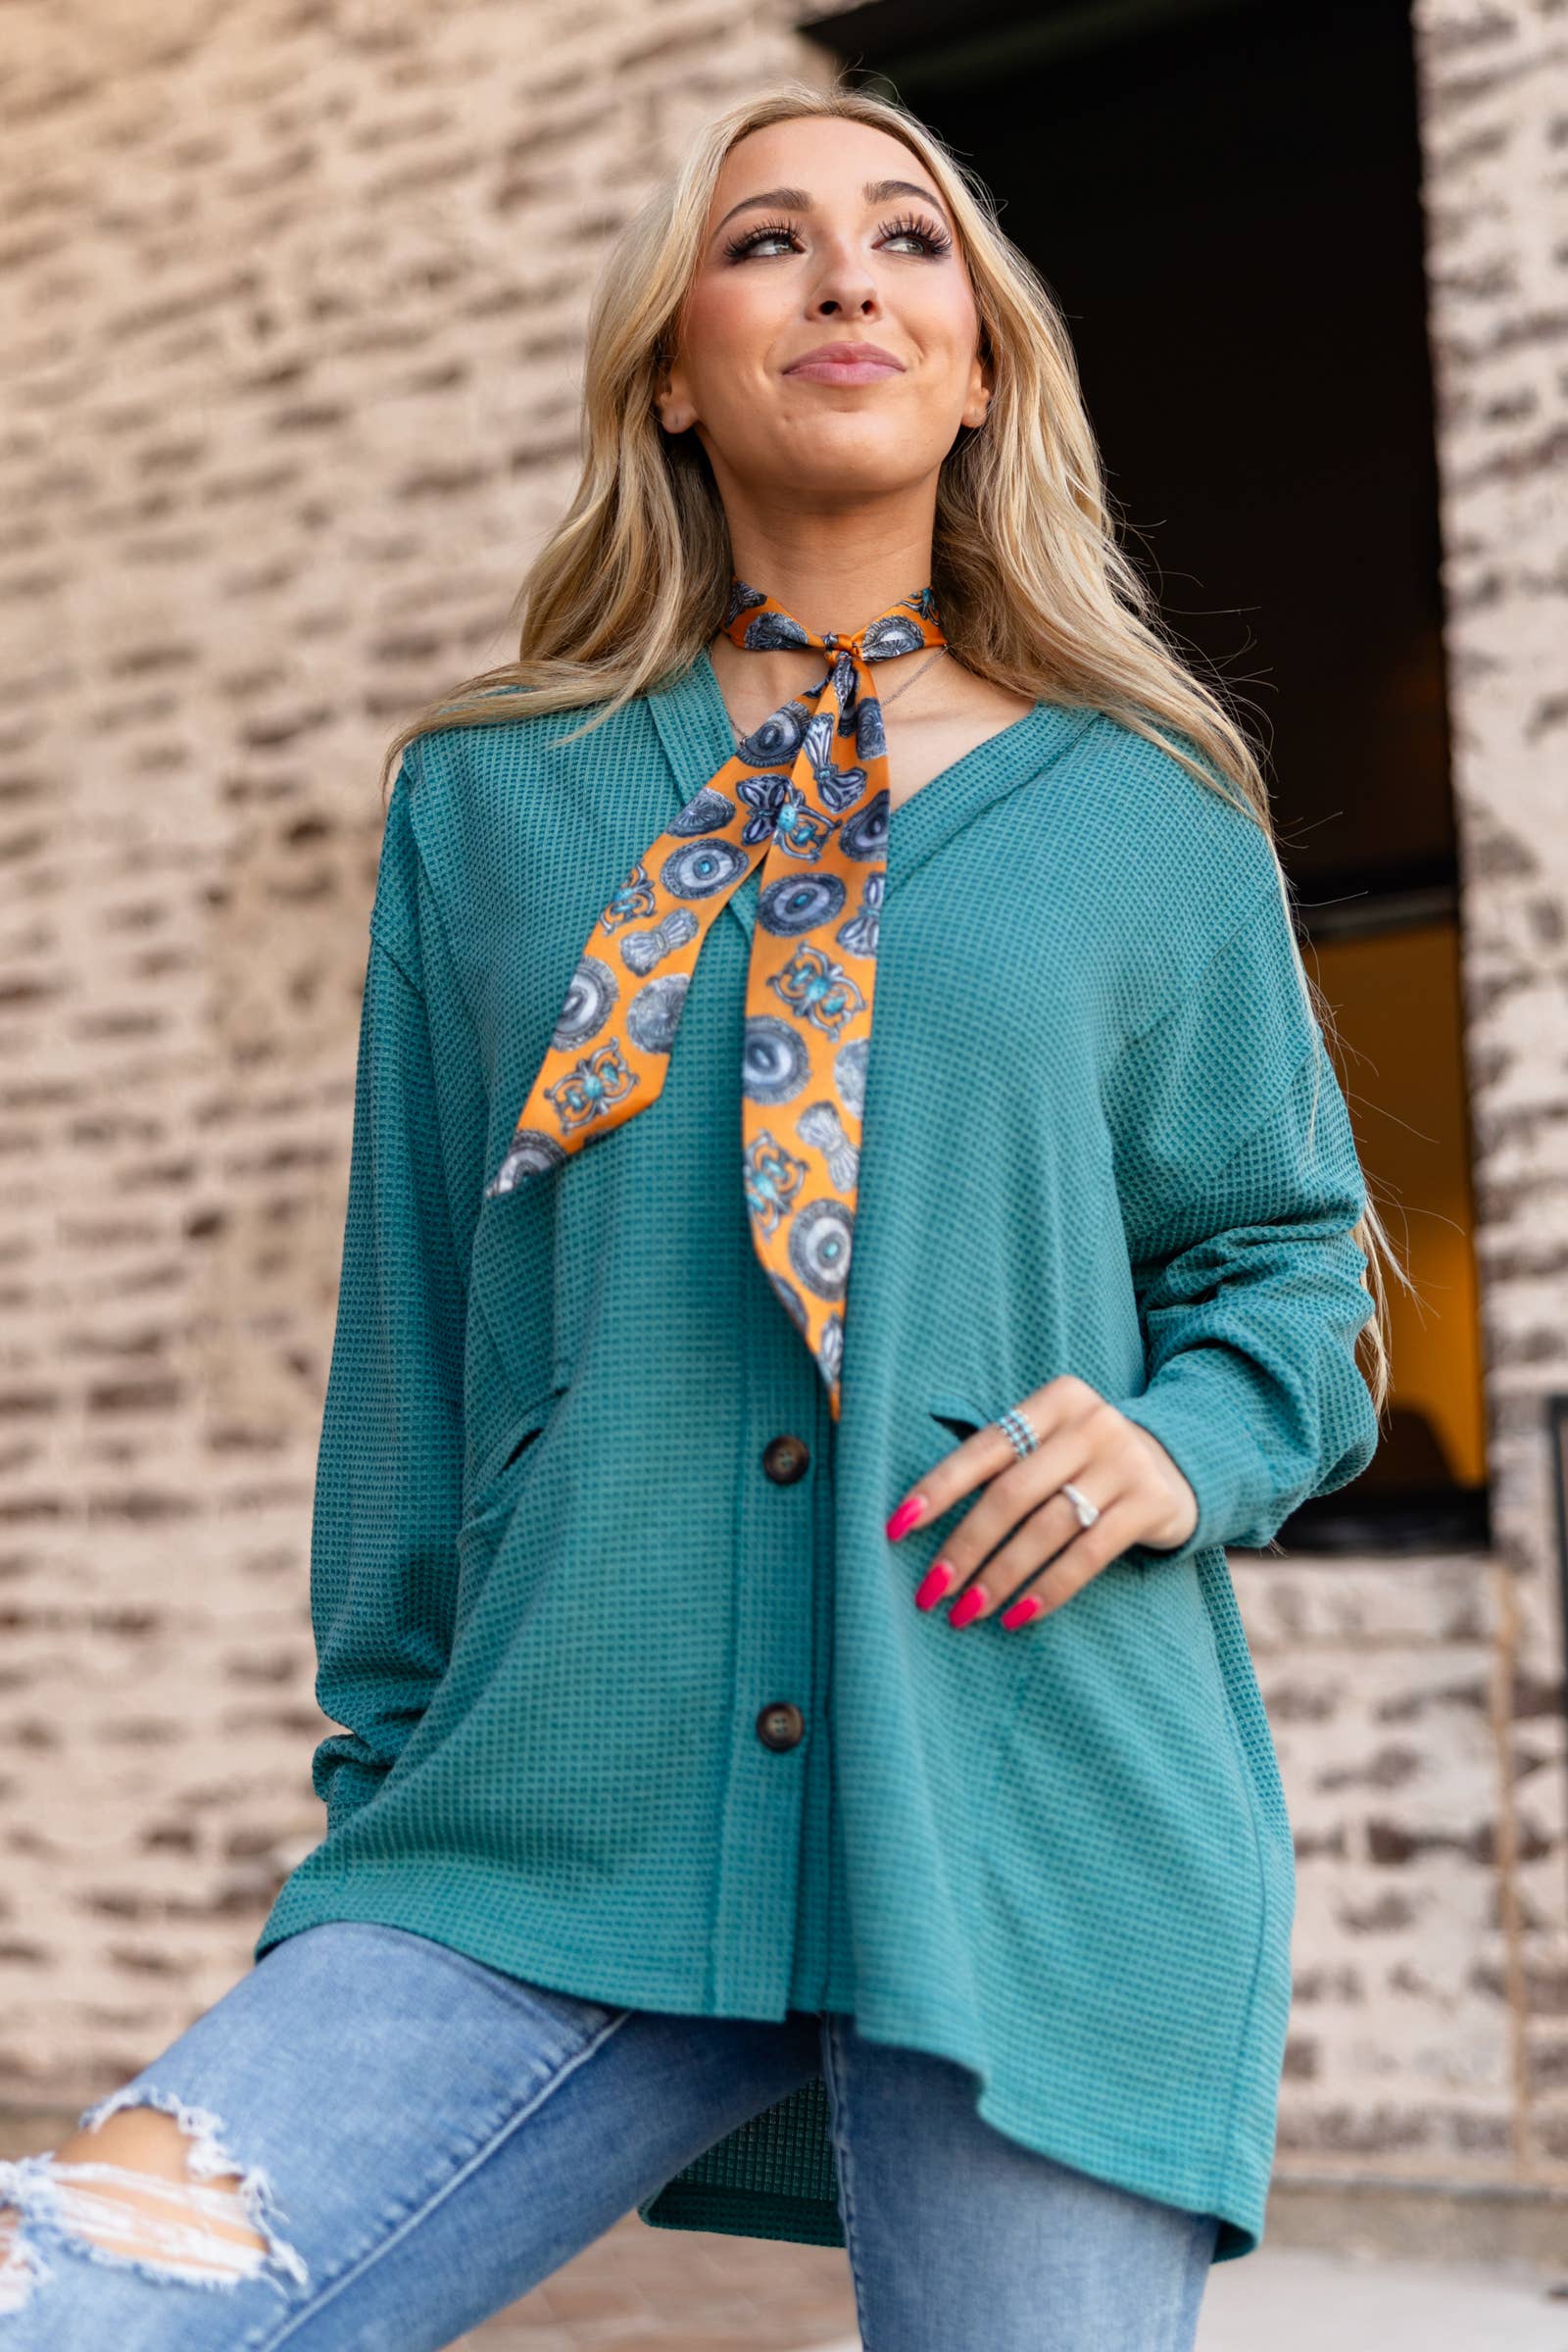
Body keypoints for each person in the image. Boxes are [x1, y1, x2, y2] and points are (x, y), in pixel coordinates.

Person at [0, 75, 1396, 2352]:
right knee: (72, 2304)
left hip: (1032, 1835)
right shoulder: (493, 802)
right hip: (546, 1819)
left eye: (908, 241)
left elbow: (1290, 1275)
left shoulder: (1148, 817)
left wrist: (1177, 1439)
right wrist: (383, 1811)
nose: (845, 273)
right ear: (669, 361)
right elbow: (416, 1350)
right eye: (765, 240)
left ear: (978, 366)